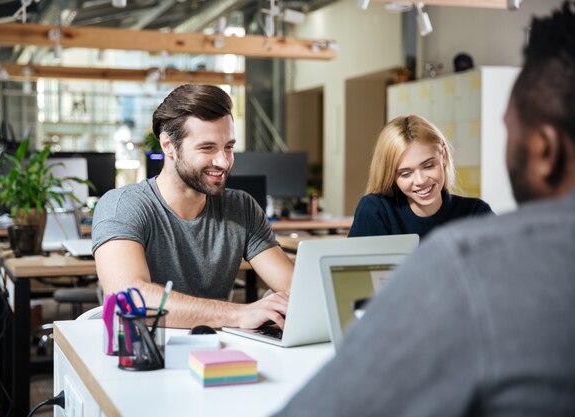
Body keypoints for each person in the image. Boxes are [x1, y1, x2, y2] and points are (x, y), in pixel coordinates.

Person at [274, 1, 575, 416]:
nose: (420, 180)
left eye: (508, 130)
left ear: (544, 149)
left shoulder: (462, 255)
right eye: (405, 172)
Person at [92, 84, 294, 329]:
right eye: (207, 148)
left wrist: (279, 305)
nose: (223, 161)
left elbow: (294, 287)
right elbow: (129, 300)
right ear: (168, 145)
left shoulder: (241, 207)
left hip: (214, 354)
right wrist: (239, 314)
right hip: (143, 355)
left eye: (228, 147)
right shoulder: (123, 205)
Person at [348, 114, 493, 238]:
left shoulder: (476, 213)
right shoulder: (376, 211)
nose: (420, 180)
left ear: (443, 155)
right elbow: (355, 270)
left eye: (429, 166)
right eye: (405, 174)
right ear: (391, 175)